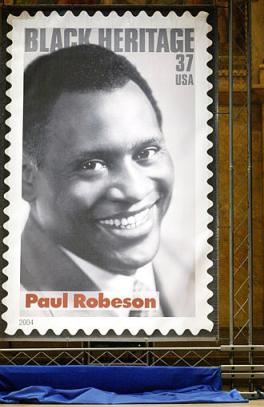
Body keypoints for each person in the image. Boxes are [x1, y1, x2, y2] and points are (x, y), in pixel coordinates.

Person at [21, 44, 193, 317]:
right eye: (92, 165)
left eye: (146, 153)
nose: (135, 190)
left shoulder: (189, 274)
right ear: (26, 178)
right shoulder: (19, 303)